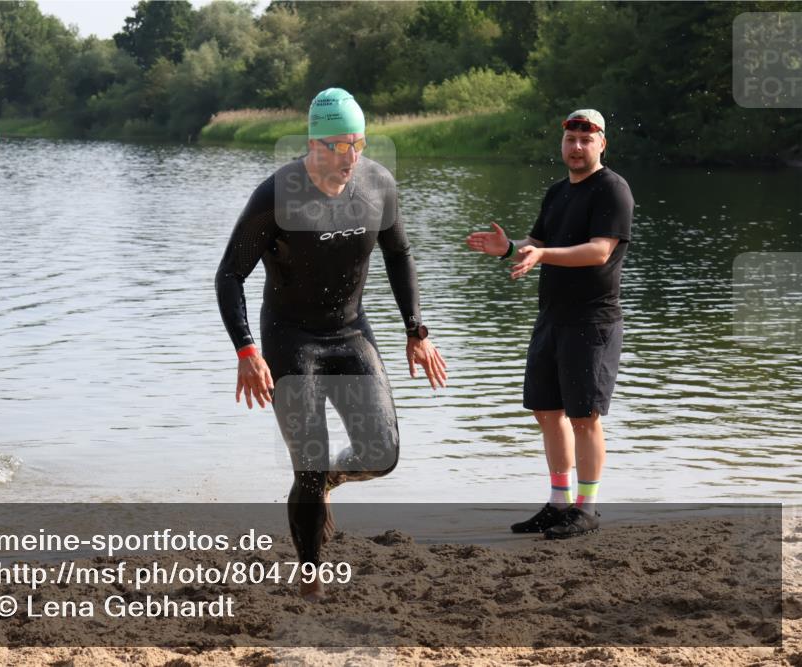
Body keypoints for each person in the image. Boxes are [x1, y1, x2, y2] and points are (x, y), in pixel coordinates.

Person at [216, 88, 447, 599]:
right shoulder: (277, 196)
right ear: (313, 144)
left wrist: (416, 330)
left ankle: (326, 482)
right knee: (309, 462)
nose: (351, 157)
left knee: (381, 452)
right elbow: (229, 275)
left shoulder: (377, 184)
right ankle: (310, 576)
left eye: (358, 143)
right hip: (290, 338)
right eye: (339, 145)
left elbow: (399, 253)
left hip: (350, 331)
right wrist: (247, 351)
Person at [466, 109, 634, 539]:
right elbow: (536, 243)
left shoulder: (613, 189)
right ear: (562, 144)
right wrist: (510, 248)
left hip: (592, 320)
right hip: (551, 318)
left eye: (586, 139)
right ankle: (560, 503)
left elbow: (599, 250)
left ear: (601, 144)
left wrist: (542, 255)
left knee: (584, 416)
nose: (576, 147)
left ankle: (587, 508)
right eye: (570, 139)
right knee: (546, 410)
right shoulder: (557, 191)